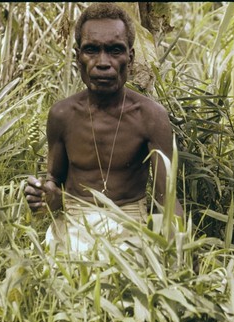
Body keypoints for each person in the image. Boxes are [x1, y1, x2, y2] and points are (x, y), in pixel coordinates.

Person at [24, 3, 183, 253]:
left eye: (114, 50)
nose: (103, 63)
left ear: (129, 58)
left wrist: (180, 256)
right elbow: (55, 181)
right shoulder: (62, 115)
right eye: (91, 50)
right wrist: (46, 196)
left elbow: (167, 198)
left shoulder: (151, 117)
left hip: (131, 220)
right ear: (78, 56)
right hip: (75, 220)